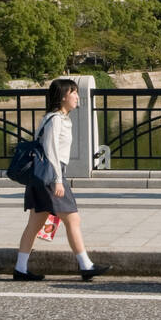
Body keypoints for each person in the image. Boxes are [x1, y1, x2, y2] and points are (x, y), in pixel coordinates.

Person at [14, 78, 112, 281]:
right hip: (51, 175)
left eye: (77, 92)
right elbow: (51, 150)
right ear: (62, 96)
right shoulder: (56, 119)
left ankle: (20, 268)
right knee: (72, 218)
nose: (77, 96)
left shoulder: (57, 118)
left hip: (43, 176)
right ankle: (85, 265)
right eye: (73, 92)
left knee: (35, 222)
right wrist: (58, 180)